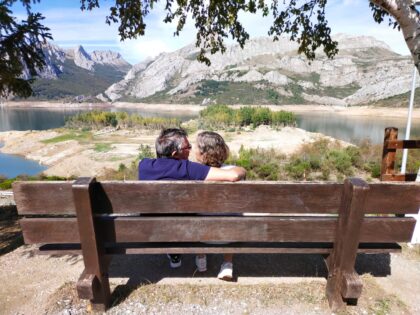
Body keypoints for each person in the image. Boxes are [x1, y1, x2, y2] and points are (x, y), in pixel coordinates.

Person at [138, 128, 246, 270]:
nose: (190, 150)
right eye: (187, 147)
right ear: (175, 154)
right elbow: (232, 176)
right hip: (183, 229)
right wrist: (241, 169)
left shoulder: (144, 165)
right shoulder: (189, 168)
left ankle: (173, 252)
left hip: (149, 229)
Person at [195, 131, 238, 281]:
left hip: (200, 233)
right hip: (229, 233)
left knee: (195, 215)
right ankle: (227, 264)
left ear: (202, 153)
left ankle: (201, 259)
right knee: (233, 216)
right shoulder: (234, 170)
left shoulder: (194, 172)